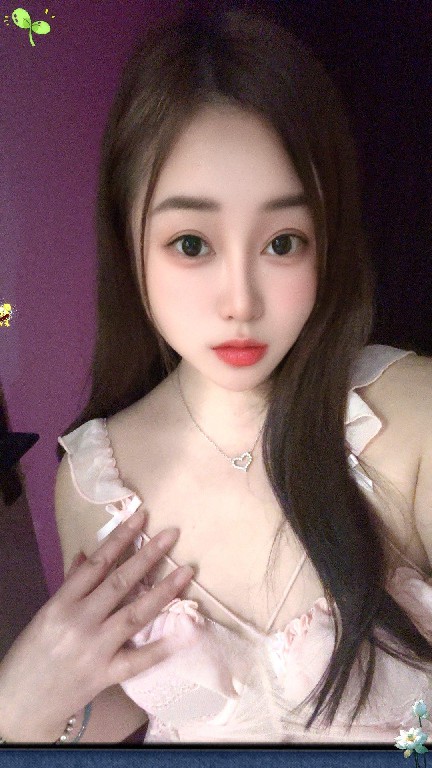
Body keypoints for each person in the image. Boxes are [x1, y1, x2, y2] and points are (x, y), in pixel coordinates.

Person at [1, 4, 432, 745]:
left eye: (283, 242)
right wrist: (21, 708)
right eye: (193, 243)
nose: (241, 302)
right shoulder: (96, 480)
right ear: (129, 241)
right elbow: (122, 708)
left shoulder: (409, 419)